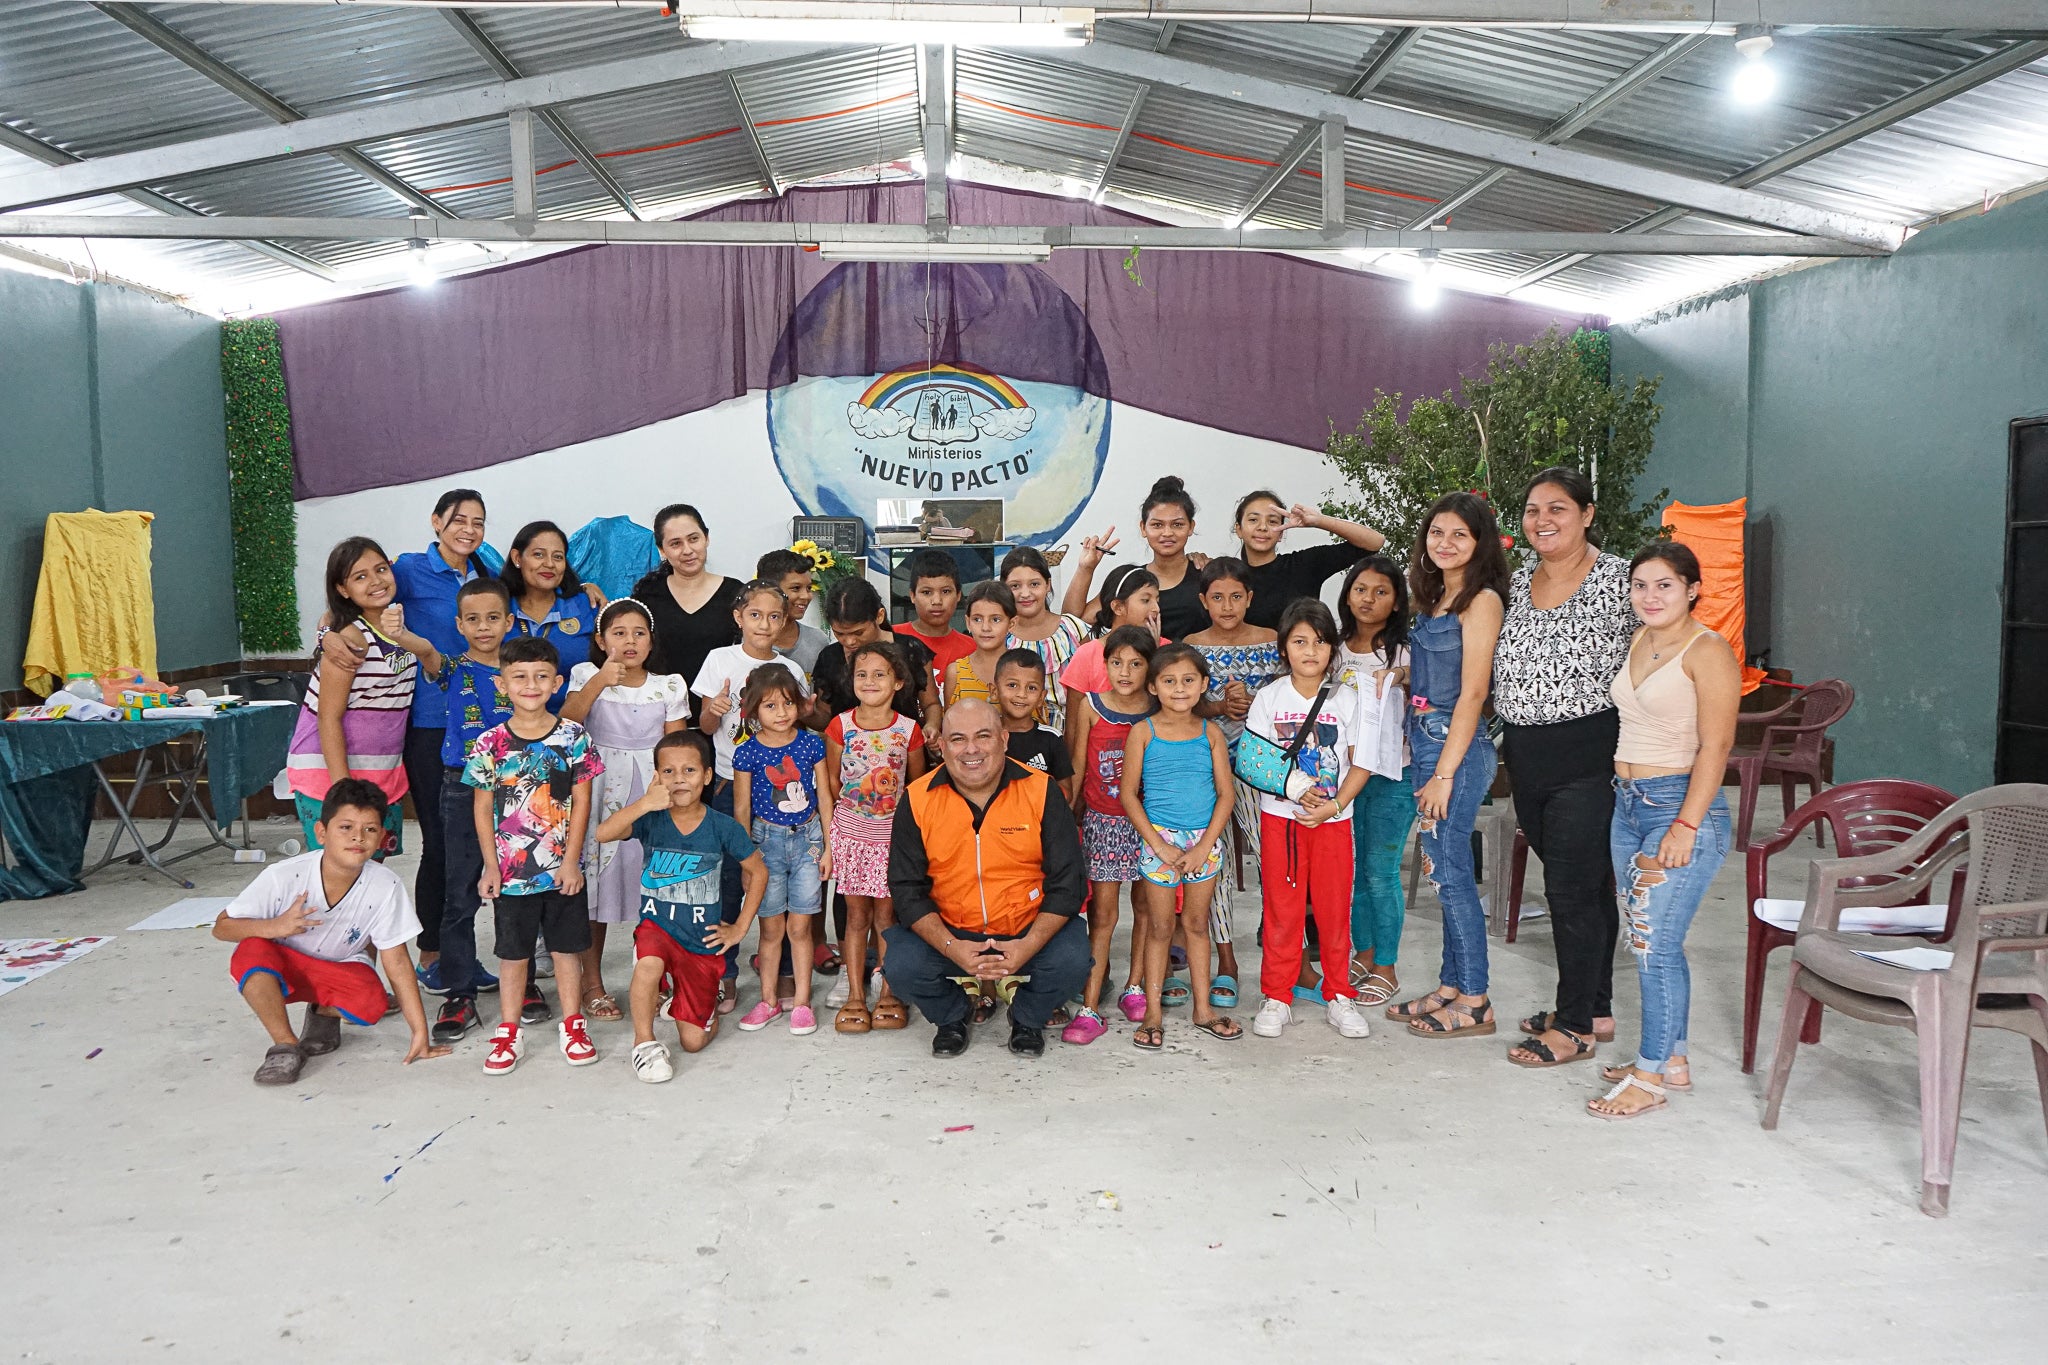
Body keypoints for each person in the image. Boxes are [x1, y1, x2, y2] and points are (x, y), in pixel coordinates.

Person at [1494, 468, 1640, 1069]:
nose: (1542, 520)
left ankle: (1574, 1025)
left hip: (1591, 755)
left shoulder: (1619, 579)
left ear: (1587, 513)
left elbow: (1665, 647)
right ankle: (1597, 1005)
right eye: (1532, 510)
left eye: (1557, 508)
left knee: (1569, 892)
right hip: (1527, 756)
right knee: (1584, 884)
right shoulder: (1516, 582)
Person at [1589, 542, 1739, 1119]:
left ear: (1693, 589)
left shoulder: (1709, 652)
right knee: (1654, 939)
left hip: (1676, 805)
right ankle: (1671, 1059)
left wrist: (1685, 823)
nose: (1649, 597)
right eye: (1640, 585)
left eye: (1665, 586)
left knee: (1652, 944)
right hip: (1627, 803)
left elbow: (1717, 745)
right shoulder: (1642, 639)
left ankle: (1648, 1077)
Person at [885, 698, 1090, 1058]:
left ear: (1004, 739)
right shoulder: (917, 799)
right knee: (901, 965)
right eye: (958, 739)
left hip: (1026, 927)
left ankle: (1027, 1017)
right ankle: (952, 1016)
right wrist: (952, 947)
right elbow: (906, 889)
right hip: (953, 930)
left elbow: (1068, 882)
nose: (971, 750)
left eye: (983, 736)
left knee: (1073, 959)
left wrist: (1027, 946)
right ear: (943, 745)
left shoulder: (1041, 791)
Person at [214, 780, 448, 1085]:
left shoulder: (386, 886)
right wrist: (275, 926)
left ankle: (322, 1012)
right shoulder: (283, 876)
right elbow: (222, 926)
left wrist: (419, 1032)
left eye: (370, 829)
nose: (357, 837)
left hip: (338, 968)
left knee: (372, 1006)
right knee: (251, 950)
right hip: (283, 966)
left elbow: (398, 961)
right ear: (321, 832)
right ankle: (285, 1045)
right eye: (346, 827)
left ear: (381, 839)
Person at [1385, 493, 1508, 1042]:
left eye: (1459, 534)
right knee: (1441, 869)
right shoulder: (1434, 598)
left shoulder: (1480, 601)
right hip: (1426, 737)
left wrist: (1444, 774)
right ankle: (1450, 987)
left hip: (1453, 749)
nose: (1445, 543)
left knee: (1451, 874)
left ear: (1479, 542)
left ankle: (1476, 999)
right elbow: (1442, 676)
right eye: (1437, 532)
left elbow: (1474, 691)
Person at [464, 636, 606, 1076]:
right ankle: (509, 1032)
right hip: (511, 876)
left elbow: (582, 802)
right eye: (520, 677)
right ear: (502, 685)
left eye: (541, 676)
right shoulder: (490, 743)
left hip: (562, 872)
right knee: (513, 954)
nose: (531, 685)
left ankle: (573, 1023)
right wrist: (491, 865)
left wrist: (571, 861)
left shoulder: (573, 738)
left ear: (557, 682)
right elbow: (482, 807)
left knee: (567, 951)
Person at [593, 731, 767, 1084]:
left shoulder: (723, 826)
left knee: (693, 1042)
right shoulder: (651, 817)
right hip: (657, 927)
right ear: (657, 777)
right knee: (647, 965)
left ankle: (693, 1010)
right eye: (668, 772)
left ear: (706, 776)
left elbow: (758, 870)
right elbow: (603, 834)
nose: (679, 779)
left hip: (700, 937)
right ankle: (644, 1043)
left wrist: (740, 928)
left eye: (689, 770)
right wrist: (644, 802)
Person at [1244, 601, 1377, 1041]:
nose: (1310, 651)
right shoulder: (1269, 697)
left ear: (1332, 649)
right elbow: (1253, 759)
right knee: (1282, 911)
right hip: (1281, 820)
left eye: (1320, 642)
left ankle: (1339, 993)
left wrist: (1334, 805)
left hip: (1334, 821)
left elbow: (1362, 764)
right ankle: (1277, 996)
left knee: (1335, 909)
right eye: (1300, 641)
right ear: (1284, 648)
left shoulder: (1348, 699)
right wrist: (1298, 789)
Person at [560, 598, 690, 1025]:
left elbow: (676, 747)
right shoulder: (586, 675)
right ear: (600, 640)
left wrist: (673, 794)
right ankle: (591, 982)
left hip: (652, 792)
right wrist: (600, 681)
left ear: (652, 640)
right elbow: (568, 723)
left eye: (638, 632)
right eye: (618, 633)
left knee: (653, 889)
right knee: (597, 889)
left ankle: (653, 979)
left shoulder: (669, 685)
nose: (629, 641)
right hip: (600, 790)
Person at [387, 488, 487, 984]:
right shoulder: (407, 568)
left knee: (480, 844)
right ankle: (432, 954)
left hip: (483, 726)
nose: (469, 530)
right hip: (429, 723)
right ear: (436, 522)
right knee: (440, 842)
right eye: (459, 521)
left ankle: (464, 953)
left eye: (478, 522)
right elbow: (358, 595)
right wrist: (328, 627)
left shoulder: (484, 570)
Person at [1120, 643, 1240, 1049]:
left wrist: (1204, 846)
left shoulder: (1211, 733)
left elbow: (1226, 795)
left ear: (1204, 684)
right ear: (1153, 687)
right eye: (1169, 681)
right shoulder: (1143, 732)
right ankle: (1153, 1012)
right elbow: (1128, 795)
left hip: (1202, 844)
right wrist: (1160, 846)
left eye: (1189, 680)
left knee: (1195, 925)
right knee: (1159, 927)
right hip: (1159, 843)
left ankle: (1203, 1009)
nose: (1179, 689)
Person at [285, 538, 429, 861]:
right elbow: (328, 717)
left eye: (381, 569)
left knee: (371, 871)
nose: (376, 580)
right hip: (331, 774)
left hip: (379, 773)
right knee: (339, 870)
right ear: (343, 589)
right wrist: (342, 790)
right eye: (360, 576)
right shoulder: (349, 641)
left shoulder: (401, 627)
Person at [1182, 556, 1279, 1005]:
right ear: (1203, 600)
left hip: (1262, 768)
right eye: (1217, 597)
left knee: (1271, 857)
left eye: (1236, 597)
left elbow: (1289, 700)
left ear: (1250, 598)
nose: (1227, 605)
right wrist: (1219, 708)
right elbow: (1183, 703)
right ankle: (1225, 960)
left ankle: (1286, 954)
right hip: (1208, 766)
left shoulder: (1272, 641)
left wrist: (1252, 701)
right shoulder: (1192, 646)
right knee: (1213, 862)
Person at [422, 578, 514, 1046]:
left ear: (509, 622)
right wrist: (401, 634)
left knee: (517, 890)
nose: (484, 627)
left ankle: (524, 983)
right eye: (473, 619)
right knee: (460, 892)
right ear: (459, 625)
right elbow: (424, 652)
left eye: (493, 617)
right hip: (461, 786)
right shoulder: (450, 666)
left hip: (518, 789)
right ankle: (459, 992)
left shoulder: (522, 668)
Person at [823, 640, 925, 1034]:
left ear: (898, 681)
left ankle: (888, 993)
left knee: (887, 917)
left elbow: (915, 787)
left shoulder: (908, 730)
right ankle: (853, 994)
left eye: (880, 674)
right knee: (855, 918)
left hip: (890, 841)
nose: (870, 681)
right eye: (862, 674)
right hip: (851, 837)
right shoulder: (840, 725)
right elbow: (832, 782)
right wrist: (837, 834)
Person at [1064, 624, 1156, 1045]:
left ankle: (1135, 985)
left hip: (1149, 825)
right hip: (1103, 822)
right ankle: (1090, 1003)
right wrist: (1071, 811)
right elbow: (1079, 765)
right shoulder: (1091, 706)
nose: (1125, 672)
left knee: (1145, 907)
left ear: (1149, 668)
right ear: (1104, 665)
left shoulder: (1157, 708)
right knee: (1102, 915)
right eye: (1116, 662)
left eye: (1136, 664)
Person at [730, 663, 833, 1036]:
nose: (781, 713)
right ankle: (768, 1000)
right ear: (753, 710)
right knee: (771, 930)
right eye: (770, 706)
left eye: (788, 703)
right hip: (765, 845)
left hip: (808, 842)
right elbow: (741, 809)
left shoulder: (811, 744)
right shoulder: (746, 752)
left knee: (801, 928)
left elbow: (824, 797)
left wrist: (829, 848)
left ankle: (802, 1003)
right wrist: (747, 861)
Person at [1336, 555, 1415, 1007]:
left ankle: (1387, 966)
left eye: (1381, 591)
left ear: (1397, 601)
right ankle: (1363, 955)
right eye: (1360, 589)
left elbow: (1425, 685)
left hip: (1392, 774)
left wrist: (1402, 676)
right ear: (1347, 595)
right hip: (1346, 779)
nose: (1369, 599)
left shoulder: (1404, 649)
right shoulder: (1336, 646)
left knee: (1381, 873)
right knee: (1355, 874)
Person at [631, 504, 744, 725]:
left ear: (707, 538)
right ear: (662, 550)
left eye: (693, 539)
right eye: (675, 543)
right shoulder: (648, 595)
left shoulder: (736, 593)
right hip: (659, 721)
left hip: (721, 718)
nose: (687, 550)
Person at [1063, 476, 1211, 640]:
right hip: (1139, 665)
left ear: (1191, 527)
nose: (1167, 533)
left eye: (1177, 524)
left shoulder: (1208, 574)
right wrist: (1086, 568)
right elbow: (1071, 627)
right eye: (1157, 525)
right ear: (1143, 527)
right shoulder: (1130, 580)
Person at [1230, 490, 1387, 630]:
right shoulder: (1228, 577)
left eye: (1272, 521)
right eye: (1253, 520)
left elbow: (1374, 542)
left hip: (1302, 660)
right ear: (1239, 529)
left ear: (1281, 534)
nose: (1262, 527)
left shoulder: (1304, 565)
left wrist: (1318, 521)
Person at [812, 576, 938, 734]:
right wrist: (807, 713)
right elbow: (825, 719)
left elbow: (931, 704)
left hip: (906, 750)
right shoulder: (829, 658)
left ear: (879, 616)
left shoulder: (911, 650)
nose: (849, 641)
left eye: (858, 632)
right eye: (839, 633)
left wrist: (931, 725)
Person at [501, 520, 601, 705]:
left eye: (558, 557)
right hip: (507, 722)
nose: (549, 564)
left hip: (575, 721)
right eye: (538, 555)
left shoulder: (586, 606)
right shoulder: (499, 607)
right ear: (517, 558)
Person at [1057, 565, 1163, 737]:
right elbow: (1073, 726)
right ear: (1118, 607)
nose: (1156, 609)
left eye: (1157, 600)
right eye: (1145, 600)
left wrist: (1156, 654)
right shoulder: (1087, 654)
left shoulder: (1164, 649)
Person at [1000, 546, 1089, 732]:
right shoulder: (999, 636)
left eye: (1034, 584)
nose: (1025, 594)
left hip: (1073, 734)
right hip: (1015, 737)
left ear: (1047, 584)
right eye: (1015, 586)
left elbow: (1091, 689)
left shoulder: (1073, 629)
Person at [995, 649, 1075, 803]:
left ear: (1041, 697)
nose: (1022, 694)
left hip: (1038, 823)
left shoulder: (1052, 738)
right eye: (1012, 685)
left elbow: (1066, 792)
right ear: (995, 690)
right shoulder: (987, 735)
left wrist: (1035, 793)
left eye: (1031, 688)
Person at [895, 548, 972, 692]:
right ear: (912, 595)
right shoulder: (891, 638)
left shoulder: (973, 649)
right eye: (926, 592)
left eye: (946, 591)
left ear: (959, 595)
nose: (937, 601)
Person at [756, 547, 831, 680]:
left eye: (809, 588)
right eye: (796, 588)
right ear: (768, 590)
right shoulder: (747, 642)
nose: (806, 596)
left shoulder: (817, 641)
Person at [944, 581, 1015, 707]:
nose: (985, 627)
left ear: (1011, 624)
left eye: (995, 620)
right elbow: (950, 723)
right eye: (977, 619)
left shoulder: (1023, 670)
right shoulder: (956, 673)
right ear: (968, 622)